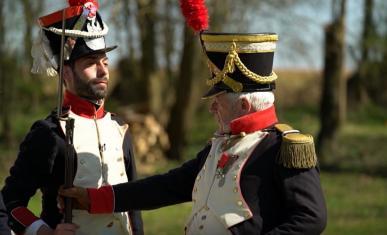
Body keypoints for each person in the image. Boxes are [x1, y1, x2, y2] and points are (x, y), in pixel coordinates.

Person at [60, 32, 328, 234]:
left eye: (218, 99)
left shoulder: (284, 148)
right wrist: (94, 198)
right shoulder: (219, 146)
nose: (212, 107)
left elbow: (311, 218)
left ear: (244, 105)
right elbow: (166, 187)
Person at [1, 1, 143, 235]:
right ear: (66, 72)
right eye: (91, 63)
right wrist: (43, 231)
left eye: (105, 62)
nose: (103, 71)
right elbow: (10, 202)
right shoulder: (49, 133)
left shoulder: (119, 127)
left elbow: (133, 208)